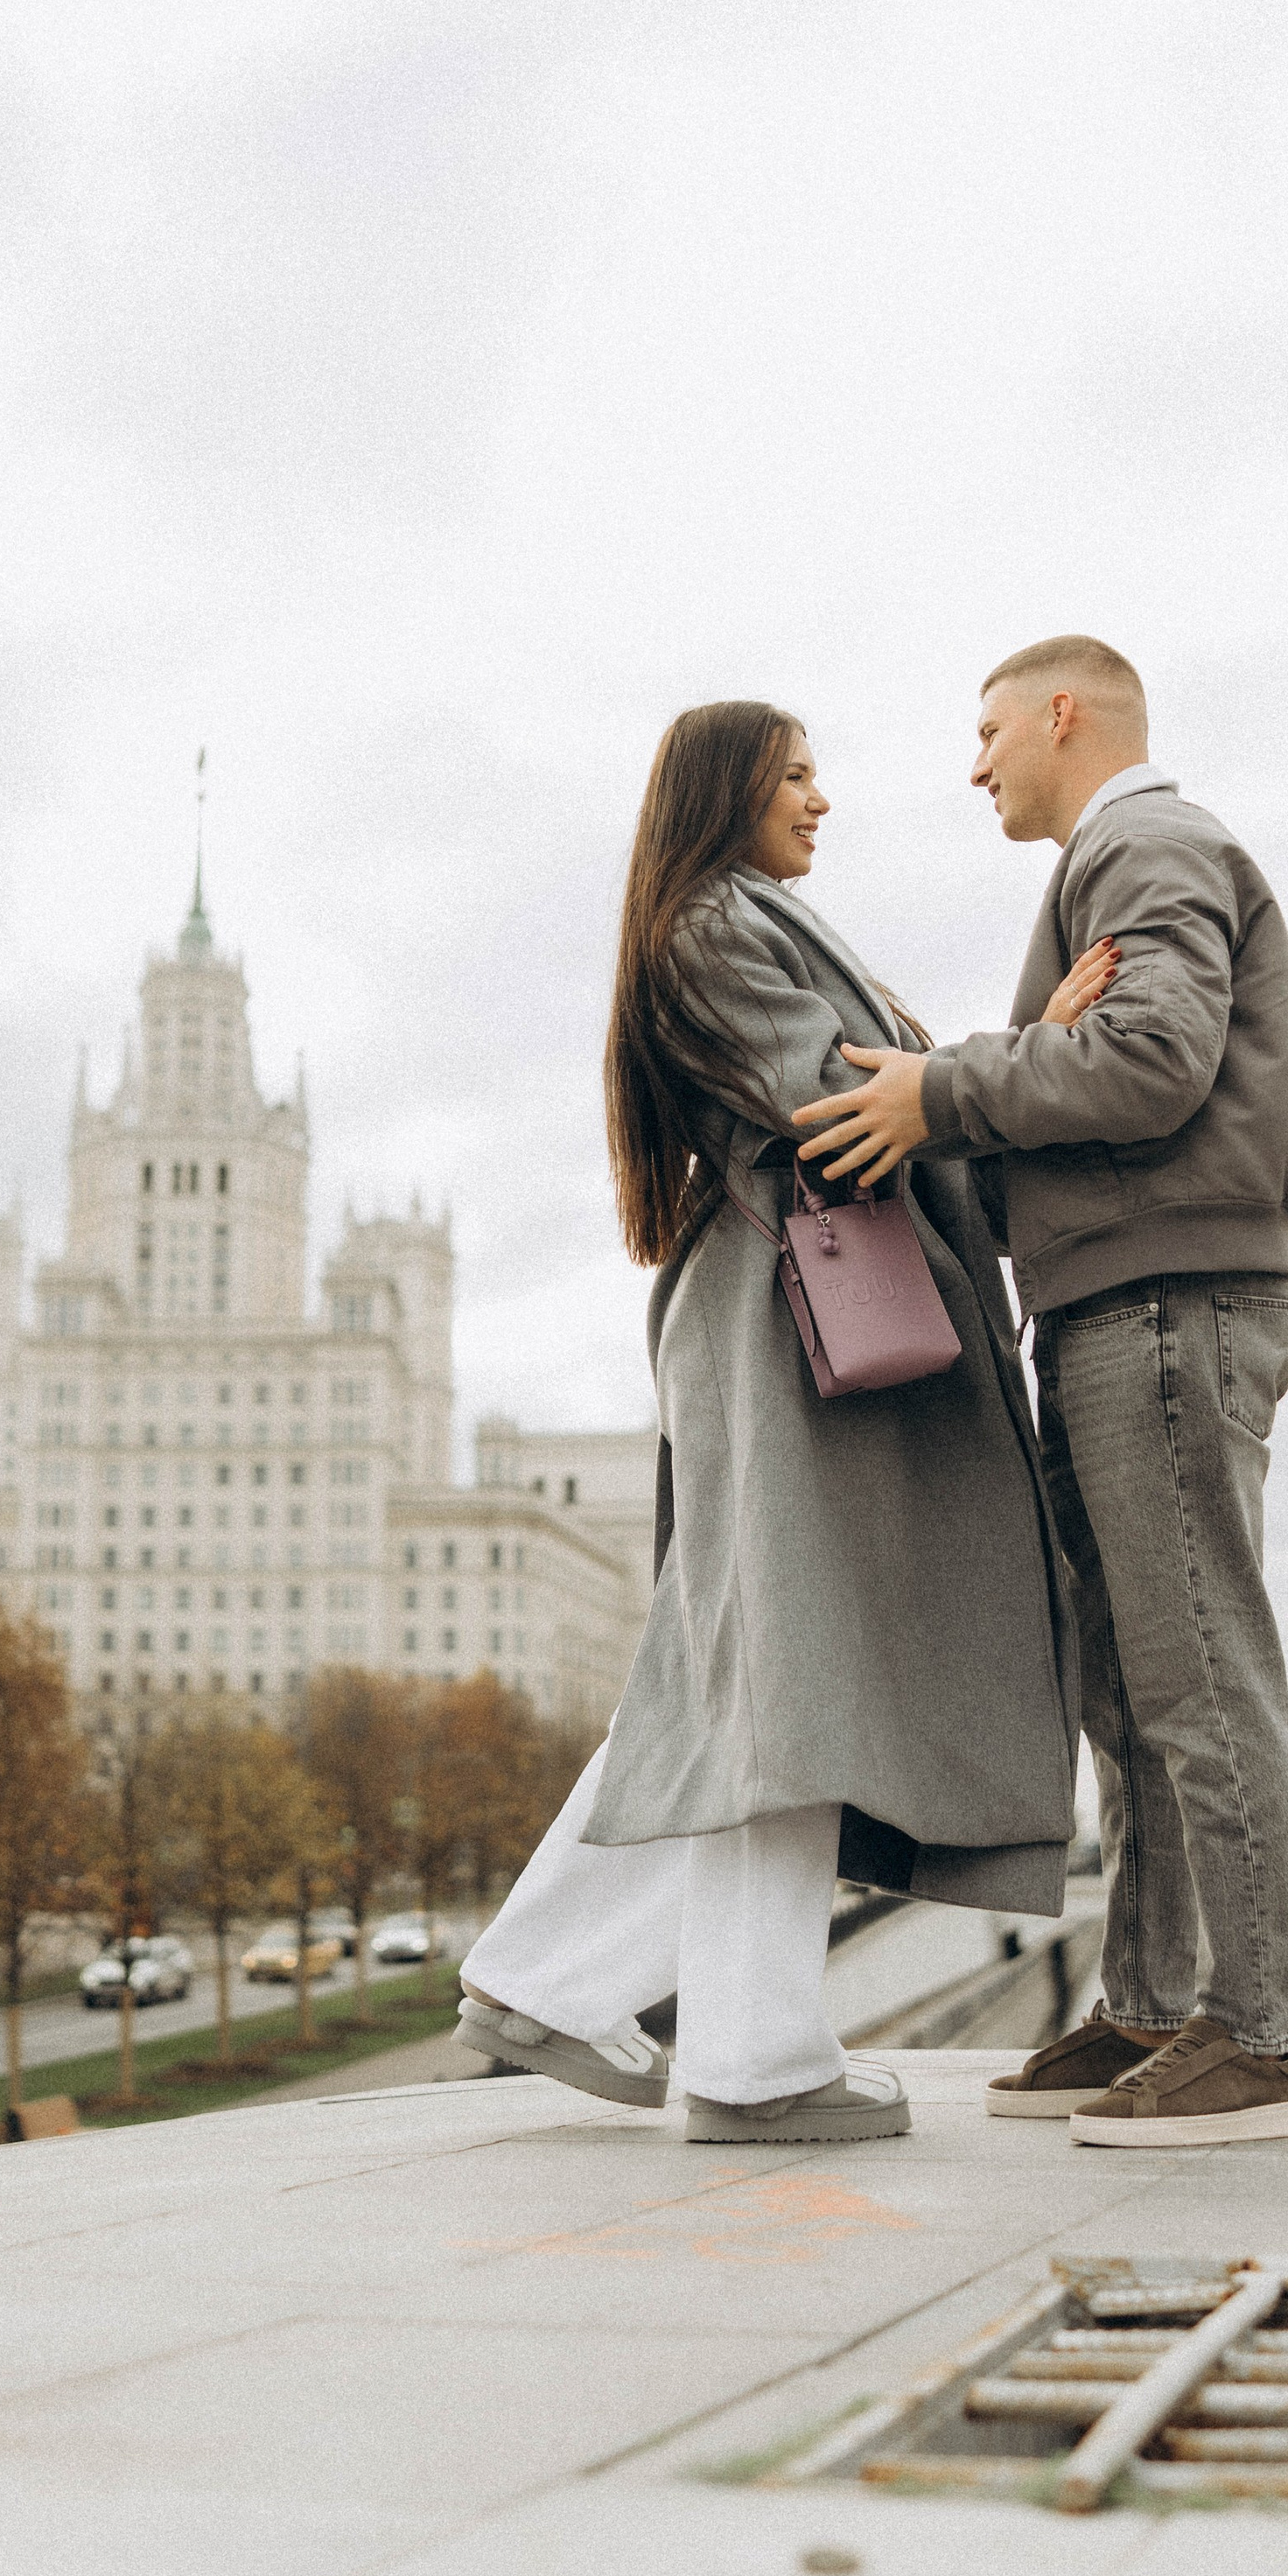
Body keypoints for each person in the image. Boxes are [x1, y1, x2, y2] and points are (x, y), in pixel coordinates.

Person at [456, 700, 1102, 2143]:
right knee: (787, 1675)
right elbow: (841, 1103)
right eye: (799, 774)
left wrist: (970, 1071)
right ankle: (749, 2058)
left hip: (794, 1311)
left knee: (745, 1667)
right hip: (797, 1319)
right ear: (728, 786)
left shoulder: (730, 923)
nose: (824, 800)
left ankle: (551, 1976)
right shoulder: (712, 929)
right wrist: (1019, 1057)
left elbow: (880, 1099)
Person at [792, 635, 1288, 2149]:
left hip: (1164, 1299)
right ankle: (1160, 2006)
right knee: (1124, 1682)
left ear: (1061, 714)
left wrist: (948, 1088)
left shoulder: (1146, 841)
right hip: (1114, 1297)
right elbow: (1121, 1058)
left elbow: (1155, 1058)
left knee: (1194, 1672)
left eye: (986, 733)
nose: (975, 767)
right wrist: (1031, 1045)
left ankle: (1257, 2035)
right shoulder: (1115, 862)